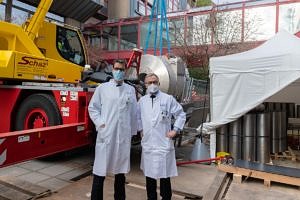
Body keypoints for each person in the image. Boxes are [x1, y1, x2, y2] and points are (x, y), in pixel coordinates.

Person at [88, 59, 137, 200]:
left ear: (125, 71)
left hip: (122, 138)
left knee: (120, 175)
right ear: (112, 70)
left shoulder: (130, 90)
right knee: (99, 172)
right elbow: (93, 108)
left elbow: (134, 113)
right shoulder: (102, 88)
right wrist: (100, 124)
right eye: (116, 69)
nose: (119, 72)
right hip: (106, 135)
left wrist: (133, 132)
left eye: (121, 69)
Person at [137, 73, 186, 200]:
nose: (152, 85)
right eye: (149, 82)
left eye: (155, 82)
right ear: (145, 85)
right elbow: (137, 117)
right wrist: (141, 129)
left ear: (158, 83)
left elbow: (181, 114)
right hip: (148, 143)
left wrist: (175, 130)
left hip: (163, 143)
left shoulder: (167, 99)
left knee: (164, 176)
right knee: (149, 176)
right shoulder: (142, 101)